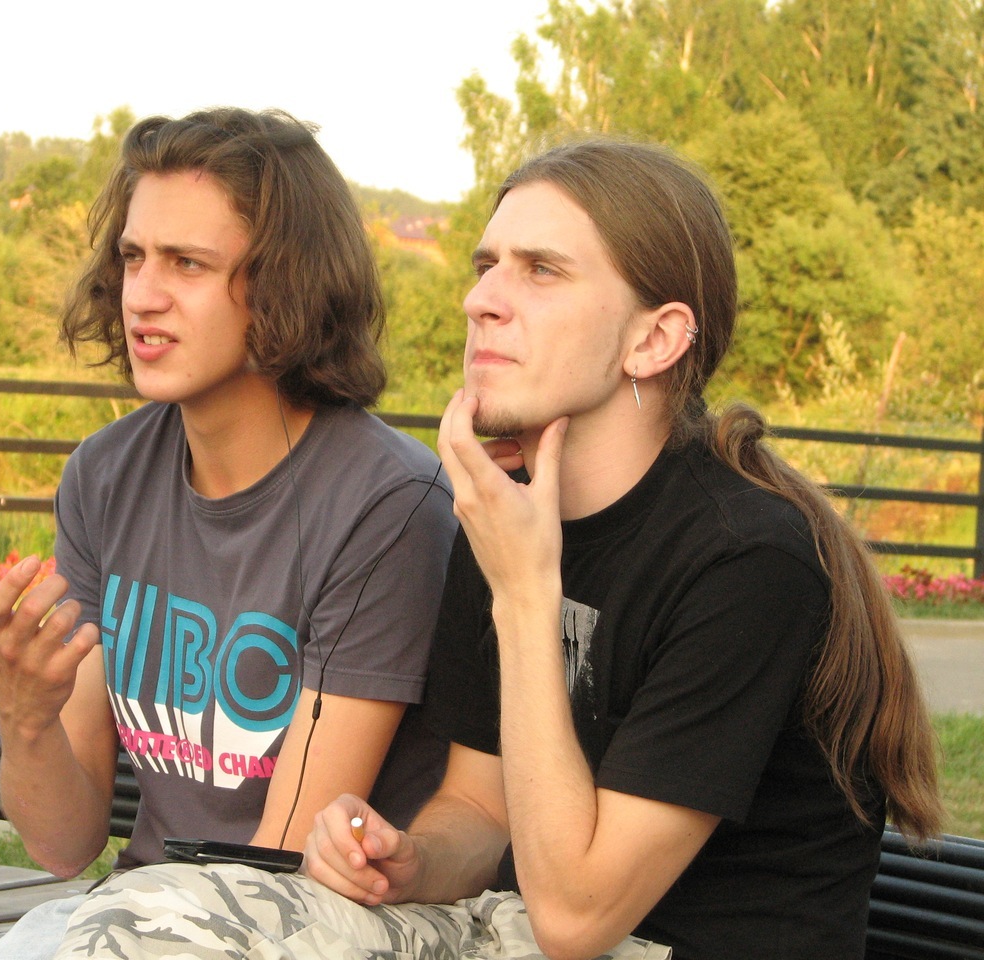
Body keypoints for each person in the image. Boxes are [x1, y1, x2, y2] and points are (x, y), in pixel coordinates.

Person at [47, 136, 943, 960]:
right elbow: (479, 807)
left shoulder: (747, 564)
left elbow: (578, 917)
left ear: (654, 339)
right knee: (133, 925)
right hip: (511, 934)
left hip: (655, 945)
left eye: (541, 271)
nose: (482, 300)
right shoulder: (508, 515)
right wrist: (408, 858)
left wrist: (524, 594)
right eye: (486, 267)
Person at [0, 107, 456, 958]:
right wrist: (26, 716)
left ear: (286, 284)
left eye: (188, 263)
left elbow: (281, 867)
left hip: (322, 924)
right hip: (150, 914)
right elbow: (63, 845)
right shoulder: (106, 477)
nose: (142, 293)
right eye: (133, 256)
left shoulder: (386, 505)